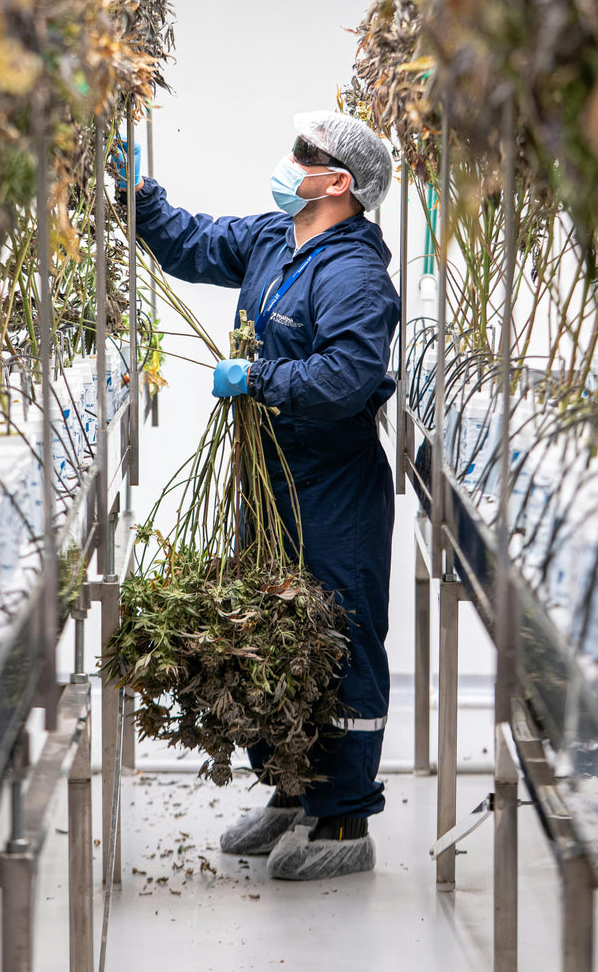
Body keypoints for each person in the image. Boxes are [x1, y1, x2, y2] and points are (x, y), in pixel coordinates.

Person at [121, 110, 400, 881]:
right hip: (270, 478)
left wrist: (260, 377)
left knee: (337, 640)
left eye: (305, 155)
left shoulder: (355, 275)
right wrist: (137, 196)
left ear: (338, 183)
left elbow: (348, 378)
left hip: (332, 490)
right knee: (273, 629)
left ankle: (343, 820)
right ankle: (290, 790)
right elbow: (193, 243)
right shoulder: (276, 237)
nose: (289, 161)